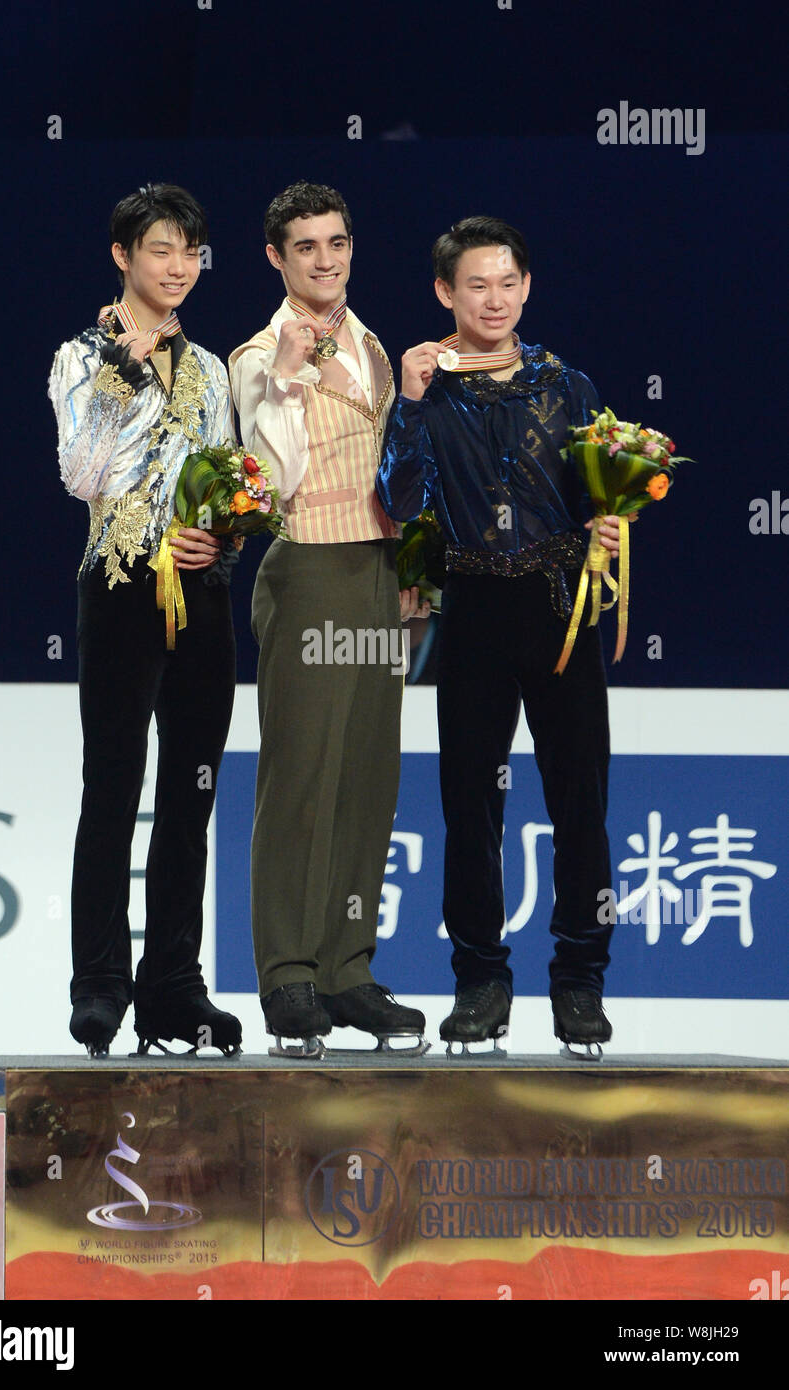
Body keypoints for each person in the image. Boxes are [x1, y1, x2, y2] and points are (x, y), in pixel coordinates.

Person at [377, 216, 622, 1055]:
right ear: (445, 292)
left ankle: (581, 981)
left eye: (507, 282)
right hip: (474, 606)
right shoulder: (424, 387)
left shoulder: (569, 385)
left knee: (579, 798)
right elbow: (401, 501)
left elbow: (604, 493)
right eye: (475, 284)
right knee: (469, 805)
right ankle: (481, 980)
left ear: (527, 287)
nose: (494, 298)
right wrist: (407, 403)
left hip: (560, 609)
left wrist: (611, 524)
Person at [229, 181, 427, 1052]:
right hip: (306, 566)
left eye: (337, 242)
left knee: (367, 781)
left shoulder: (377, 343)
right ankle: (288, 976)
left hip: (380, 572)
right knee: (302, 777)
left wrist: (415, 568)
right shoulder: (255, 355)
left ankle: (350, 968)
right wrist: (289, 375)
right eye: (305, 247)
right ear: (276, 258)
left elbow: (398, 462)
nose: (325, 260)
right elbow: (272, 474)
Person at [48, 183, 241, 1057]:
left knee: (192, 797)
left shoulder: (211, 370)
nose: (178, 267)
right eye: (160, 250)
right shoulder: (79, 358)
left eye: (190, 251)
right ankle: (100, 986)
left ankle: (173, 989)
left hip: (200, 596)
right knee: (114, 787)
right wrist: (125, 374)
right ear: (123, 257)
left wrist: (226, 537)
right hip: (122, 585)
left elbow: (232, 476)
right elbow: (83, 474)